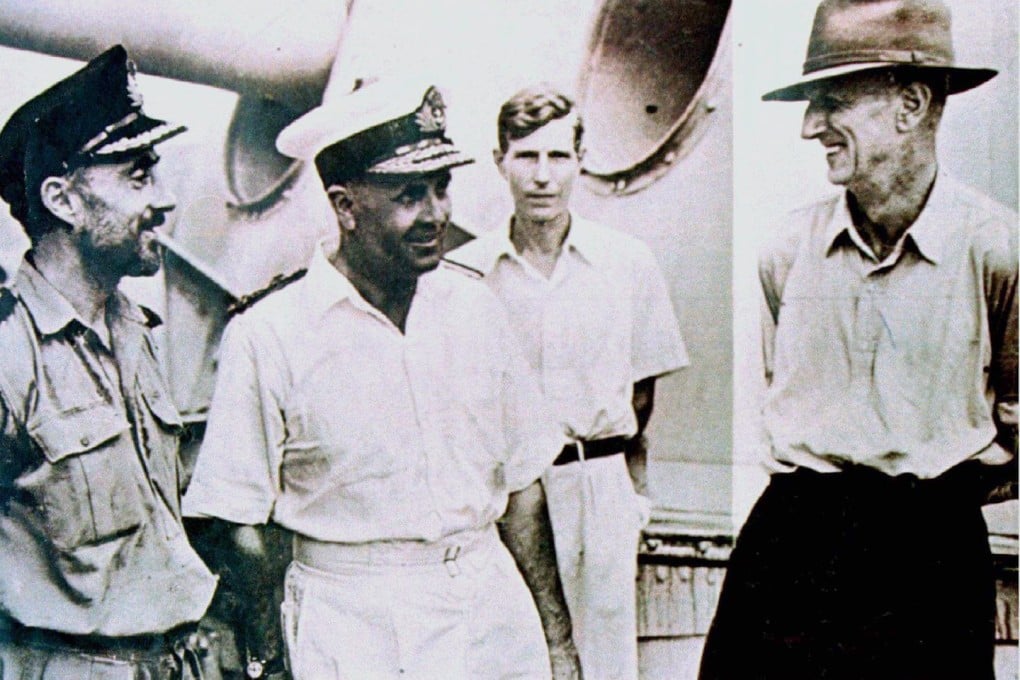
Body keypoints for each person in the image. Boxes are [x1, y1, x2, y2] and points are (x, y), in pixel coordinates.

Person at [182, 79, 582, 680]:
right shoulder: (271, 335)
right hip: (355, 621)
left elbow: (524, 490)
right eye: (409, 195)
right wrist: (268, 662)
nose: (436, 214)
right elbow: (238, 525)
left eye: (441, 188)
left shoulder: (475, 308)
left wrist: (558, 643)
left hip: (491, 612)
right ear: (345, 206)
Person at [699, 1, 1017, 678]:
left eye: (833, 101)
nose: (811, 126)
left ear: (910, 105)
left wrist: (933, 495)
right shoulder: (788, 249)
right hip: (791, 548)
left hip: (928, 561)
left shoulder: (996, 250)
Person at [449, 84, 688, 680]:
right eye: (526, 156)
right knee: (512, 656)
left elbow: (642, 395)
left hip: (596, 485)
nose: (542, 176)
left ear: (580, 161)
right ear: (500, 160)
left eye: (558, 156)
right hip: (503, 498)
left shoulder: (626, 263)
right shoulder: (465, 273)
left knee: (603, 662)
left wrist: (627, 496)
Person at [0, 46, 218, 678]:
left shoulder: (135, 329)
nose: (165, 199)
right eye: (138, 177)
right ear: (63, 201)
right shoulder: (10, 350)